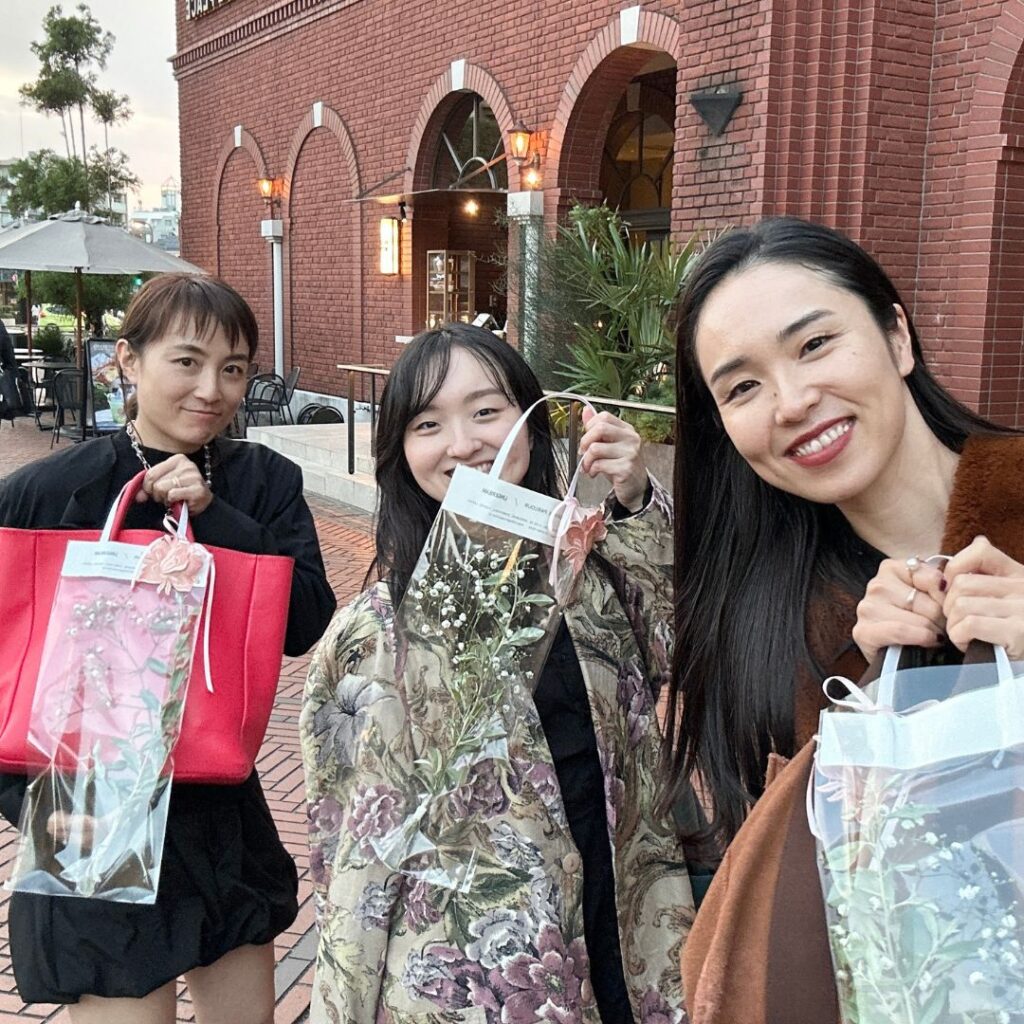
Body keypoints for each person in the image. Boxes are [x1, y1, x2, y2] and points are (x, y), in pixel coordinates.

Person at [664, 217, 1024, 1024]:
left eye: (815, 344)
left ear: (897, 336)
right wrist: (861, 693)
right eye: (742, 388)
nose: (792, 402)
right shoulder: (770, 627)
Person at [301, 323, 692, 1024]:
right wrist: (343, 1003)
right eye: (428, 424)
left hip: (623, 915)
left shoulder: (586, 575)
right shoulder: (377, 631)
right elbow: (352, 841)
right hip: (481, 971)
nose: (463, 443)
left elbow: (673, 647)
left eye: (486, 411)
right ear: (400, 451)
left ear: (532, 427)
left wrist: (635, 496)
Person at [0, 273, 336, 1024]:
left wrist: (213, 521)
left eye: (233, 368)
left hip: (217, 805)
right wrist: (29, 798)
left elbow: (306, 621)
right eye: (187, 361)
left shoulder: (264, 482)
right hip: (90, 807)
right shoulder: (49, 494)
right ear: (127, 360)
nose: (211, 389)